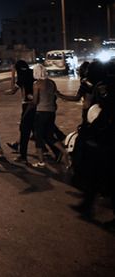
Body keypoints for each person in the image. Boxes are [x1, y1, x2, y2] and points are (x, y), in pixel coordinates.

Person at [71, 61, 115, 227]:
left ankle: (87, 204)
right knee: (96, 172)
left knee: (107, 174)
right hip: (103, 136)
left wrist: (93, 128)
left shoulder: (104, 87)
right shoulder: (102, 84)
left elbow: (107, 111)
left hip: (107, 138)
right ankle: (86, 205)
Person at [31, 64, 70, 168]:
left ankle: (41, 162)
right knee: (49, 135)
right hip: (51, 112)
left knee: (38, 137)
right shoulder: (51, 82)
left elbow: (35, 101)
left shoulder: (36, 84)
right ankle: (64, 152)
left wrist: (30, 97)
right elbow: (54, 97)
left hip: (41, 112)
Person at [5, 60, 36, 163]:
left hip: (27, 104)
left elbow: (12, 90)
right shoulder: (32, 72)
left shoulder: (22, 76)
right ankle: (51, 150)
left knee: (24, 130)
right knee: (35, 128)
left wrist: (13, 74)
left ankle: (23, 156)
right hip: (36, 103)